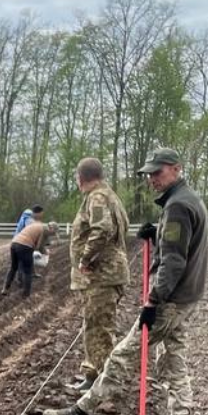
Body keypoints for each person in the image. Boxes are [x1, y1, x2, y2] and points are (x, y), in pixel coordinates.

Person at [43, 147, 208, 415]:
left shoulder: (177, 207)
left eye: (157, 173)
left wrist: (153, 301)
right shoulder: (187, 200)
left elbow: (173, 261)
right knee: (174, 358)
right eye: (148, 174)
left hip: (170, 299)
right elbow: (181, 240)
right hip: (187, 296)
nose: (151, 179)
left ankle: (82, 410)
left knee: (122, 354)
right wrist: (157, 232)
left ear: (176, 169)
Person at [69, 157, 130, 388]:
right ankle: (92, 374)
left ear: (81, 177)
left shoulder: (97, 197)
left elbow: (102, 229)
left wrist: (86, 258)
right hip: (104, 275)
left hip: (102, 275)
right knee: (94, 324)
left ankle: (104, 384)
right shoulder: (109, 195)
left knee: (99, 328)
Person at [3, 214, 55, 299]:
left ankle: (5, 288)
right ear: (51, 229)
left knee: (13, 267)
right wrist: (46, 253)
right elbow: (39, 246)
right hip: (24, 246)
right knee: (28, 271)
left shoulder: (37, 225)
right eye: (53, 233)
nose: (52, 235)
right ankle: (26, 294)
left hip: (14, 243)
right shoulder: (44, 230)